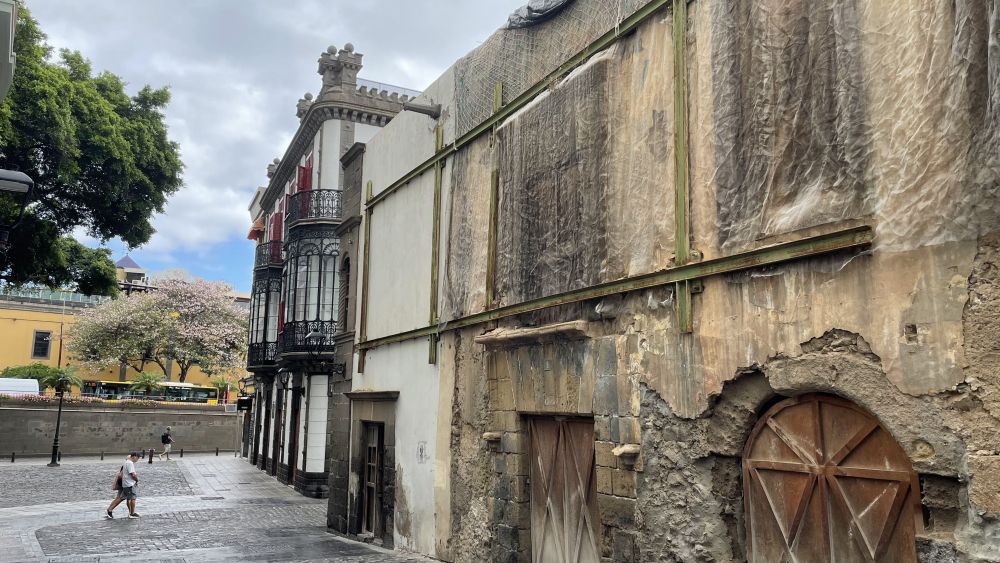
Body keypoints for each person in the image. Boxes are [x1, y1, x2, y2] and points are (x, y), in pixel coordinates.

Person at [106, 452, 141, 519]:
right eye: (137, 458)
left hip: (124, 483)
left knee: (120, 498)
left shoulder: (126, 463)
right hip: (126, 483)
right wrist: (136, 479)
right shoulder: (129, 463)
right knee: (125, 498)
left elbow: (119, 474)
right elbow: (127, 474)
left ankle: (110, 510)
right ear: (134, 457)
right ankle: (131, 513)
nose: (137, 460)